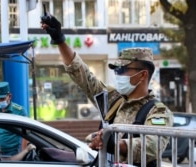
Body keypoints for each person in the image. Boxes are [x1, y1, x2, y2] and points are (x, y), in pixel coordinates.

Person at [40, 15, 173, 166]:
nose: (118, 75)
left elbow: (152, 146)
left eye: (123, 70)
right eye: (117, 70)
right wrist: (60, 40)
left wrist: (113, 142)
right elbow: (83, 76)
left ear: (143, 74)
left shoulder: (157, 112)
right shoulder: (113, 99)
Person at [0, 81, 26, 156]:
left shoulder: (19, 111)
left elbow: (26, 134)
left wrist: (23, 153)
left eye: (2, 99)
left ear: (9, 96)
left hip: (13, 153)